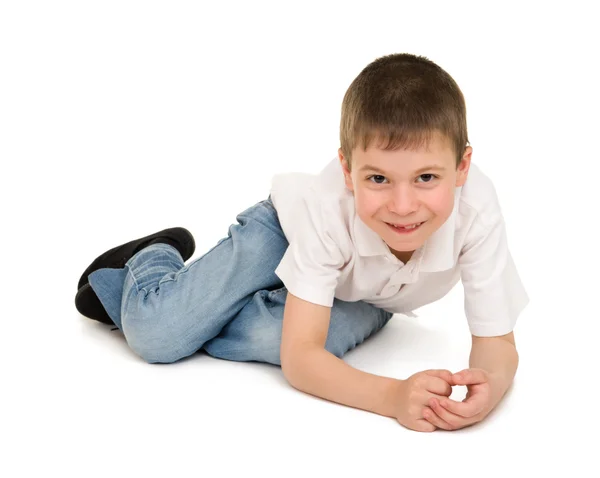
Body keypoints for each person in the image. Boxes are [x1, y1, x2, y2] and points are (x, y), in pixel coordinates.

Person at [75, 53, 529, 432]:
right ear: (349, 171)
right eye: (378, 178)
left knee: (269, 336)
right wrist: (392, 396)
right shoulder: (327, 205)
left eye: (427, 177)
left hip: (369, 294)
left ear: (462, 167)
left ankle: (222, 304)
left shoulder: (478, 211)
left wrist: (488, 386)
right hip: (283, 233)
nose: (403, 205)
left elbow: (497, 344)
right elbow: (301, 360)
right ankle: (151, 260)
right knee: (160, 334)